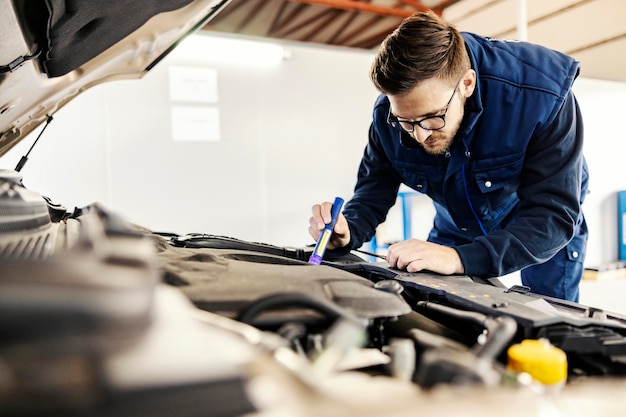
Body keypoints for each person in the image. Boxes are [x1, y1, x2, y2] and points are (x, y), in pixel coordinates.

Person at [308, 11, 588, 302]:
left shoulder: (541, 95)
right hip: (458, 219)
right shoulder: (388, 118)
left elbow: (553, 216)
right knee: (434, 306)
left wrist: (459, 259)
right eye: (407, 121)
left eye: (431, 118)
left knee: (548, 324)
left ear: (467, 84)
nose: (419, 135)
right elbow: (372, 194)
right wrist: (347, 231)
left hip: (541, 224)